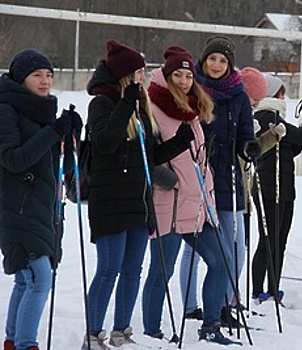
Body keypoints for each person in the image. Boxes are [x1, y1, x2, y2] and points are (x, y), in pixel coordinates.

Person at [82, 40, 191, 350]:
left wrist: (178, 143)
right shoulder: (102, 103)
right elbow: (105, 143)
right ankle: (92, 334)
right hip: (110, 199)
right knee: (109, 268)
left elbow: (149, 156)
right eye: (139, 72)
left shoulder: (139, 105)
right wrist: (126, 104)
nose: (143, 77)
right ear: (125, 75)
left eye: (144, 71)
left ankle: (121, 331)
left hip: (138, 199)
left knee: (133, 268)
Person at [142, 45, 238, 344]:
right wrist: (169, 180)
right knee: (162, 271)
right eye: (178, 75)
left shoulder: (193, 108)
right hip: (168, 203)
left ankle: (211, 326)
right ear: (167, 75)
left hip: (198, 204)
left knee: (222, 261)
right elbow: (146, 158)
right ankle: (152, 334)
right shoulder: (152, 105)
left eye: (187, 76)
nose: (183, 81)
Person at [0, 49, 82, 350]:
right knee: (39, 279)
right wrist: (52, 132)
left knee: (27, 280)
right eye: (37, 75)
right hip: (17, 207)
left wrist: (72, 135)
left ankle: (13, 341)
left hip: (44, 208)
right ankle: (25, 344)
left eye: (49, 74)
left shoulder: (45, 110)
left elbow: (60, 164)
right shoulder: (6, 109)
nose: (45, 81)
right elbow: (13, 160)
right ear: (21, 78)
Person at [180, 35, 260, 326]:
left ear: (230, 65)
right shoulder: (192, 88)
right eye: (212, 58)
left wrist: (249, 147)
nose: (216, 64)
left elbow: (245, 135)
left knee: (233, 245)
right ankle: (191, 304)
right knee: (195, 242)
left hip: (228, 177)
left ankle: (225, 301)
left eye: (223, 60)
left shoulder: (238, 95)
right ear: (204, 59)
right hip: (197, 176)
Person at [251, 74, 302, 304]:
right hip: (270, 186)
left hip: (285, 184)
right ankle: (259, 289)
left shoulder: (276, 116)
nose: (285, 97)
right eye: (282, 93)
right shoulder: (265, 115)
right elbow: (299, 136)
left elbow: (291, 147)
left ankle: (273, 287)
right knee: (269, 238)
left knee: (279, 239)